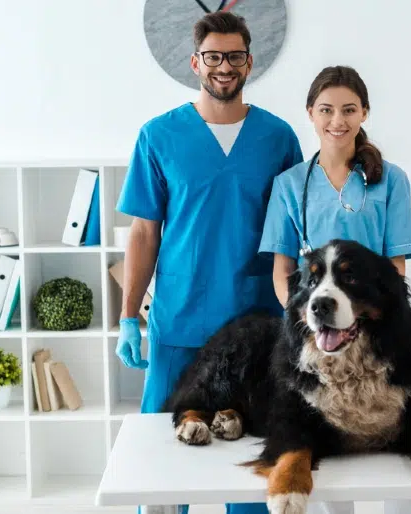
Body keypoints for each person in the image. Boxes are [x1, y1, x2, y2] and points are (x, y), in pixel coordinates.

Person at [114, 10, 304, 514]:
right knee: (160, 465)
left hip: (256, 326)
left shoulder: (278, 138)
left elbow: (291, 234)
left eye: (235, 56)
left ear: (250, 61)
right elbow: (143, 232)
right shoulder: (159, 136)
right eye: (214, 56)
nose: (225, 66)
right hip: (181, 322)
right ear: (196, 62)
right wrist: (128, 316)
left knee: (248, 465)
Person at [258, 65, 411, 514]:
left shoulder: (390, 179)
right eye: (327, 109)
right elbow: (283, 271)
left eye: (349, 110)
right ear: (311, 115)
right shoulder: (290, 184)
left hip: (370, 323)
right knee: (329, 448)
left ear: (364, 113)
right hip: (317, 323)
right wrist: (305, 326)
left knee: (400, 429)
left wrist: (384, 318)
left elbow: (395, 266)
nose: (338, 120)